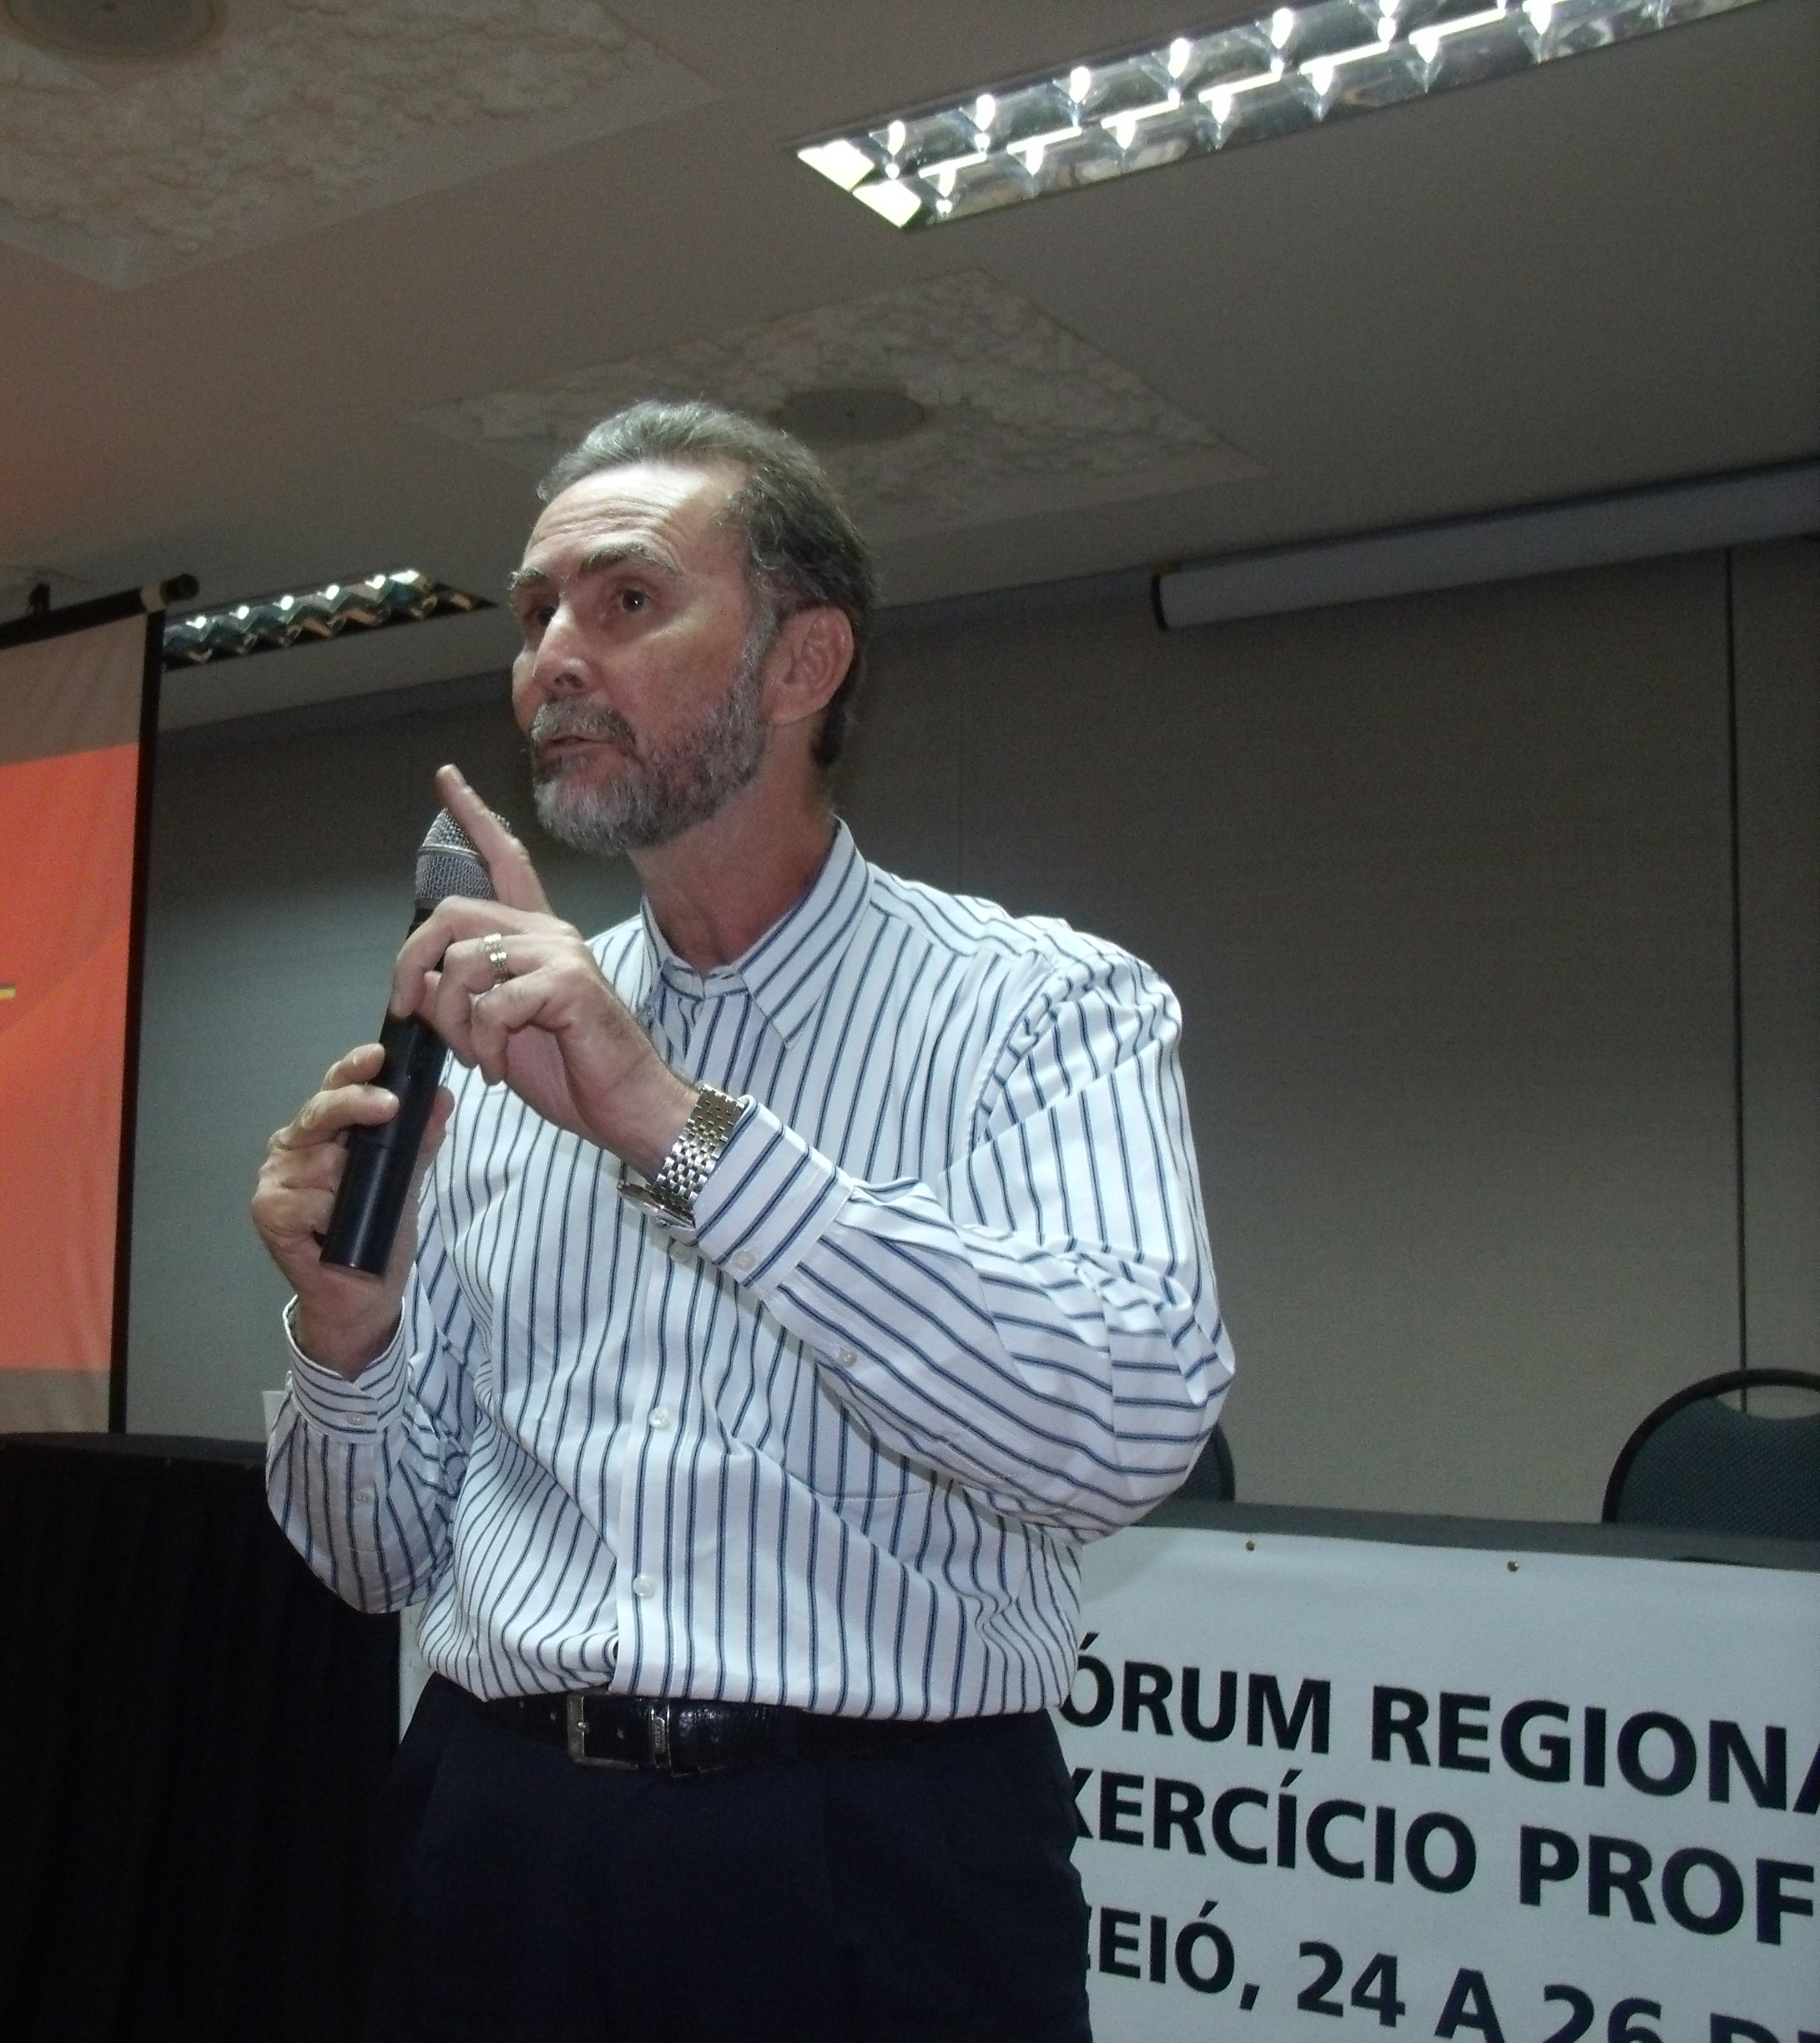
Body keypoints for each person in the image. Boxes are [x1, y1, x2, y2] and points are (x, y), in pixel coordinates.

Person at [252, 399, 1233, 2042]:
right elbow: (373, 1563)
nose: (552, 659)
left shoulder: (1044, 1007)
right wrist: (344, 1331)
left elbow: (1124, 1429)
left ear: (803, 663)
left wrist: (670, 1123)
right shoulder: (499, 1051)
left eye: (627, 599)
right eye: (537, 613)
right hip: (495, 1840)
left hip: (873, 1860)